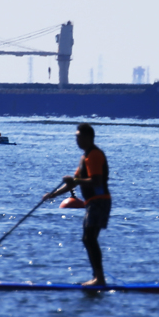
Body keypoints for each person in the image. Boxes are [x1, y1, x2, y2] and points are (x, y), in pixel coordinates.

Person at [42, 122, 111, 286]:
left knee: (89, 238)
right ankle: (98, 277)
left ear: (88, 137)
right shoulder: (85, 157)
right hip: (92, 203)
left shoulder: (95, 155)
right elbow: (73, 183)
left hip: (100, 202)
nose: (76, 140)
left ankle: (99, 279)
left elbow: (96, 181)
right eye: (76, 137)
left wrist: (76, 180)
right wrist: (53, 195)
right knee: (88, 239)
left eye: (79, 137)